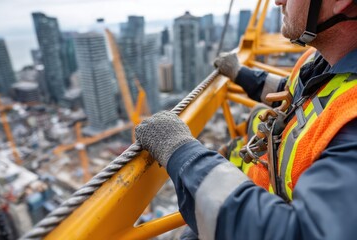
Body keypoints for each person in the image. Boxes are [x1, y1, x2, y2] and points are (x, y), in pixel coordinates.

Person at [135, 0, 357, 239]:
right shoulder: (322, 62)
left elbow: (300, 233)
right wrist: (242, 74)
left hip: (260, 215)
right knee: (256, 117)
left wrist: (183, 154)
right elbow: (295, 95)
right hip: (257, 198)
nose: (278, 1)